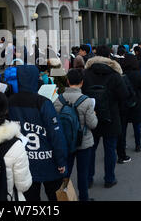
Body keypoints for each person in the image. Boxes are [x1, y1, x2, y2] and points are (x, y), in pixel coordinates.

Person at [8, 65, 67, 201]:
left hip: (24, 160)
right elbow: (56, 134)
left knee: (30, 199)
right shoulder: (43, 102)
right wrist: (61, 161)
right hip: (48, 160)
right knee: (55, 196)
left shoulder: (11, 101)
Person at [81, 45, 128, 188]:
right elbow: (124, 96)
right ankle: (109, 178)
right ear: (109, 56)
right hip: (111, 116)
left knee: (90, 149)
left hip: (91, 116)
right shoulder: (115, 74)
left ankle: (88, 179)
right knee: (110, 149)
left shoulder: (86, 73)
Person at [53, 69, 98, 201]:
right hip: (84, 142)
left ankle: (64, 196)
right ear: (82, 82)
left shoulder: (58, 100)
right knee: (82, 173)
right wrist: (94, 115)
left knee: (65, 173)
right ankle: (84, 198)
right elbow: (93, 124)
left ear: (67, 81)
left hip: (66, 142)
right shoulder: (87, 101)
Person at [118, 54, 141, 156]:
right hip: (136, 101)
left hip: (124, 102)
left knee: (123, 126)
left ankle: (123, 144)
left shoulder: (121, 74)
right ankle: (138, 145)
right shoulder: (137, 74)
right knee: (136, 125)